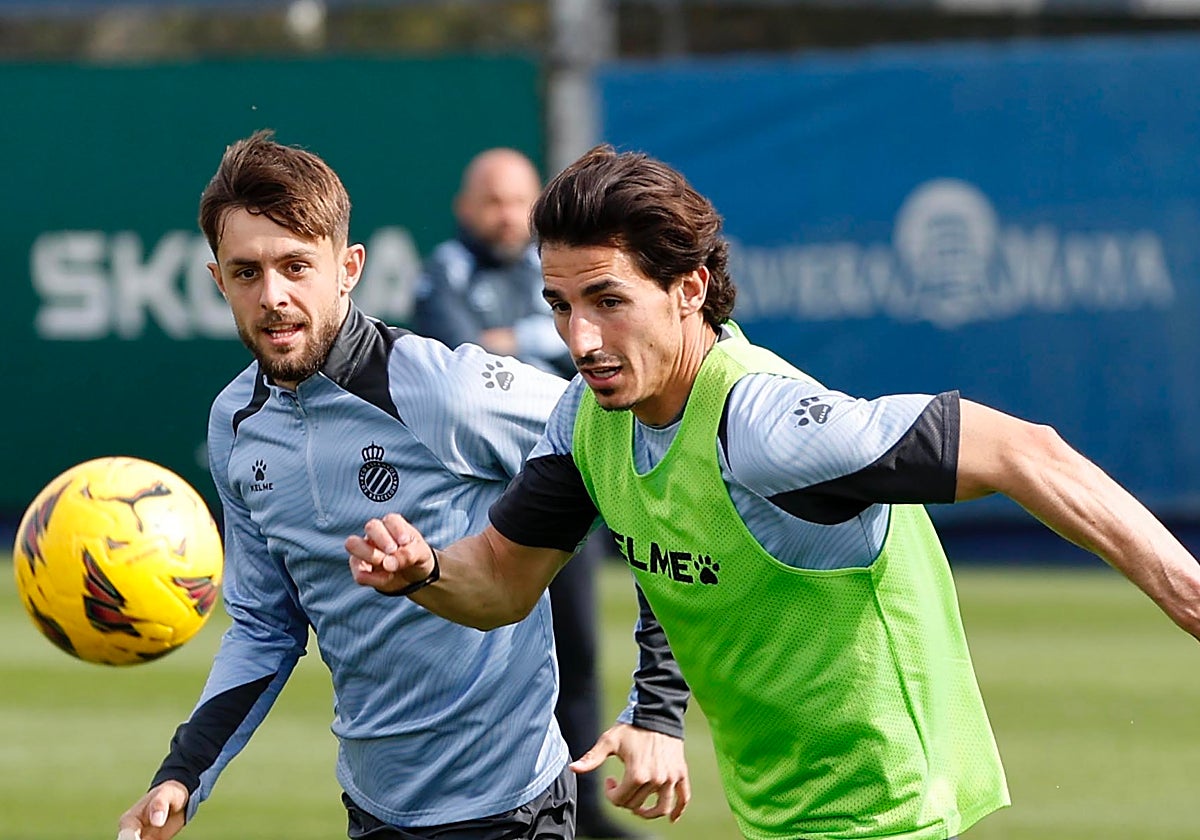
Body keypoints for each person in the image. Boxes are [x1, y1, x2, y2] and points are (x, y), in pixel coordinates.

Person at [346, 145, 1200, 840]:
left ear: (689, 291)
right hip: (780, 813)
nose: (580, 338)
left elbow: (1026, 450)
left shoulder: (764, 424)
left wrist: (1186, 589)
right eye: (561, 305)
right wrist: (423, 568)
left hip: (883, 811)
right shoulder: (588, 421)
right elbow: (501, 579)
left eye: (608, 300)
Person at [116, 133, 690, 840]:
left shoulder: (442, 387)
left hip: (511, 807)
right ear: (217, 281)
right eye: (246, 272)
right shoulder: (234, 426)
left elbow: (648, 461)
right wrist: (183, 774)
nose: (273, 297)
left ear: (348, 268)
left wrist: (658, 705)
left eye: (297, 266)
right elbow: (265, 628)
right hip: (374, 811)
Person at [413, 147, 634, 839]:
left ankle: (586, 809)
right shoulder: (444, 273)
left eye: (518, 200)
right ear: (464, 208)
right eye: (492, 200)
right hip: (492, 502)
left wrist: (524, 333)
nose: (507, 215)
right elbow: (469, 361)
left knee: (578, 650)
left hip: (575, 483)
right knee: (493, 653)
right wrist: (533, 340)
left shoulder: (550, 269)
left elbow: (595, 339)